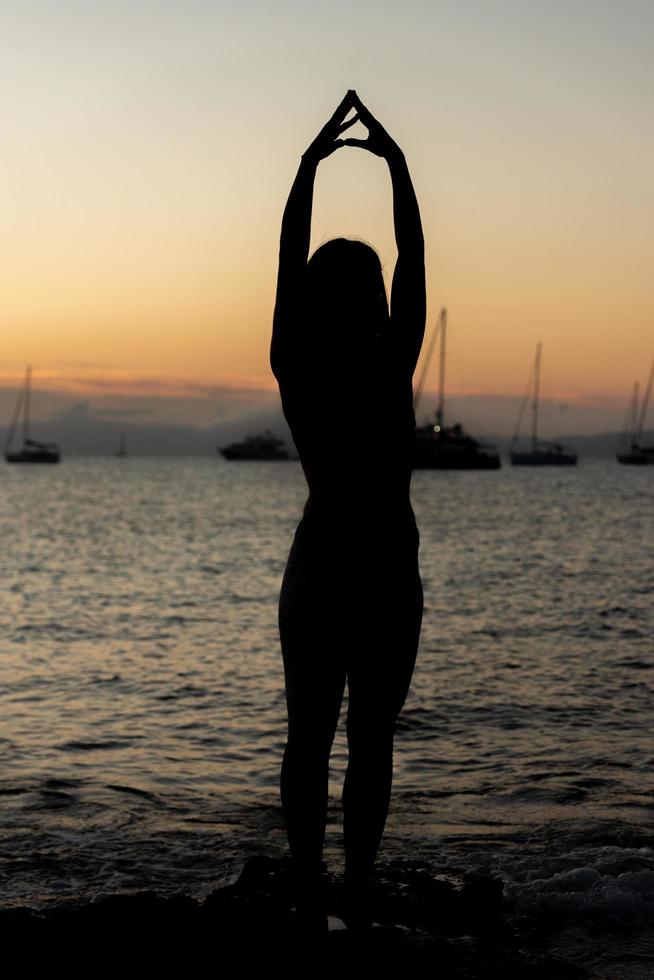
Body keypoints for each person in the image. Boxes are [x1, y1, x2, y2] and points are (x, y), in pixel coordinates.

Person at [270, 90, 425, 931]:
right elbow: (414, 258)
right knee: (364, 739)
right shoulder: (388, 361)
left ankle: (315, 888)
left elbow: (291, 265)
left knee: (316, 736)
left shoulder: (295, 362)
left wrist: (310, 167)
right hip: (374, 568)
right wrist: (396, 167)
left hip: (331, 562)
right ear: (369, 302)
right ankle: (349, 892)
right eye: (372, 287)